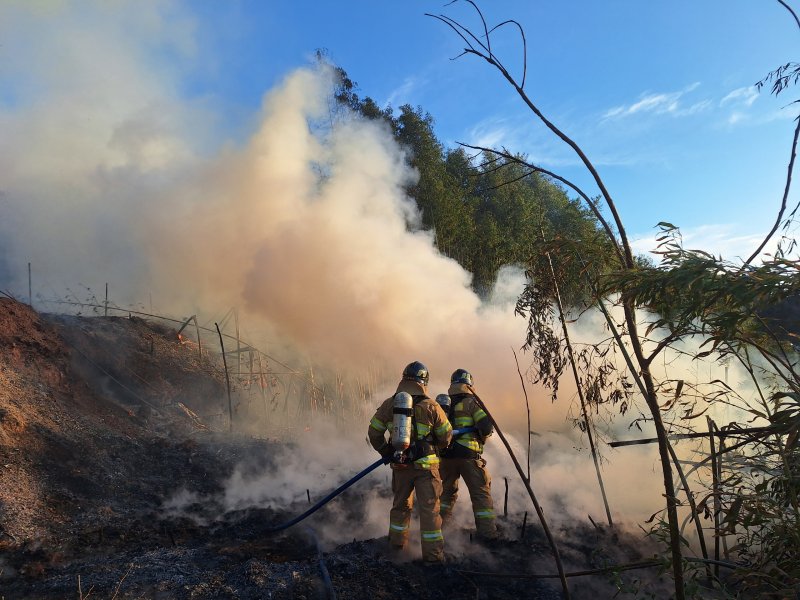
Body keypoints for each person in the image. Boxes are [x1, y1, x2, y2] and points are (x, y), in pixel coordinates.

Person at [367, 361, 453, 564]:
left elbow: (374, 432)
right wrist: (438, 447)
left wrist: (387, 452)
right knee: (429, 510)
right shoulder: (432, 406)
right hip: (426, 469)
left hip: (400, 465)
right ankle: (433, 558)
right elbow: (446, 435)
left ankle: (396, 547)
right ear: (424, 382)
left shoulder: (390, 404)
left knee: (400, 507)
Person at [439, 368, 498, 540]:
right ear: (469, 385)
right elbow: (486, 427)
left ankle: (441, 529)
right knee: (480, 495)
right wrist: (482, 436)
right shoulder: (472, 403)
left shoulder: (444, 405)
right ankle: (488, 535)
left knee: (446, 494)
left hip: (447, 457)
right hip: (469, 456)